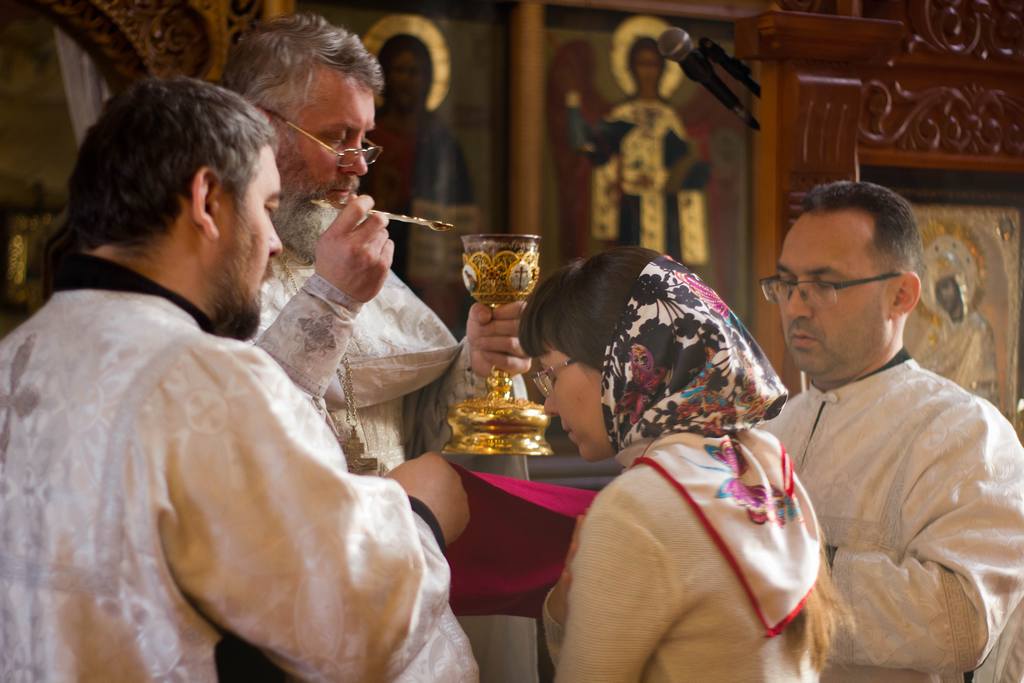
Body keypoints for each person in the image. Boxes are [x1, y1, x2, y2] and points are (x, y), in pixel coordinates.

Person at [0, 76, 477, 681]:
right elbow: (348, 628)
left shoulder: (14, 357)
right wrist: (420, 513)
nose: (274, 243)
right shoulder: (202, 377)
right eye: (267, 208)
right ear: (207, 201)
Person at [221, 13, 536, 682]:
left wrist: (474, 365)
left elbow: (413, 421)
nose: (358, 166)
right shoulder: (213, 261)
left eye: (366, 141)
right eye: (337, 137)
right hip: (292, 613)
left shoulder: (348, 249)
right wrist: (330, 299)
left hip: (406, 592)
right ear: (258, 126)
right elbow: (232, 440)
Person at [519, 246, 842, 681]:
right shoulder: (763, 464)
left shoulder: (636, 506)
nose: (549, 404)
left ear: (621, 359)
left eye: (551, 374)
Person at [760, 180, 1024, 682]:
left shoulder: (965, 431)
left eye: (825, 285)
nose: (795, 306)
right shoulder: (771, 430)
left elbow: (962, 620)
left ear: (901, 295)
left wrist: (777, 560)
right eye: (787, 283)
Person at [566, 36, 710, 264]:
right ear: (632, 68)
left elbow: (687, 161)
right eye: (642, 64)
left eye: (653, 64)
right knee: (630, 267)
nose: (647, 72)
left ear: (661, 70)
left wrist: (676, 175)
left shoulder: (669, 117)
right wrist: (573, 105)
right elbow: (594, 148)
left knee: (666, 269)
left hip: (666, 210)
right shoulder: (622, 115)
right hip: (630, 207)